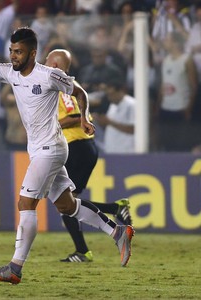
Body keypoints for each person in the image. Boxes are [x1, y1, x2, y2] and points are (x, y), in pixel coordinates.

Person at [0, 26, 135, 284]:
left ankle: (15, 268)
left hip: (51, 149)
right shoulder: (8, 71)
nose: (13, 56)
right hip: (42, 149)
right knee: (67, 206)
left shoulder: (49, 75)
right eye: (11, 51)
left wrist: (83, 118)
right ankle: (117, 231)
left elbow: (79, 92)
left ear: (32, 53)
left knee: (25, 204)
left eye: (18, 52)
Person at [45, 49, 132, 263]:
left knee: (64, 202)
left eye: (47, 60)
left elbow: (74, 116)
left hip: (77, 147)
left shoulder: (62, 88)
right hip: (81, 147)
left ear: (55, 65)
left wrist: (50, 125)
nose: (43, 64)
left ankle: (84, 249)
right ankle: (112, 211)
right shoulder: (61, 87)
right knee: (68, 203)